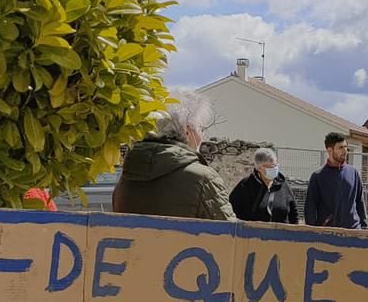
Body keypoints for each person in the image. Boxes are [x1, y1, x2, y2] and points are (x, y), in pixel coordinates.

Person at [111, 90, 236, 220]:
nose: (202, 137)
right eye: (201, 129)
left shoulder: (127, 176)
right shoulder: (203, 179)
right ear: (187, 130)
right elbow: (232, 235)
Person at [304, 132, 367, 229]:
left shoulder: (353, 173)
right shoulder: (318, 176)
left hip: (353, 231)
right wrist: (313, 232)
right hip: (328, 234)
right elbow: (310, 208)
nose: (345, 151)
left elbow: (360, 202)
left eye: (346, 147)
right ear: (330, 150)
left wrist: (364, 228)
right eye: (340, 148)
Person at [229, 148, 299, 224]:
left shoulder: (283, 185)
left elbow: (294, 212)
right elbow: (232, 210)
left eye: (275, 166)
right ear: (258, 168)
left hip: (281, 233)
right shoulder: (245, 185)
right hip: (253, 233)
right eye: (269, 167)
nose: (273, 169)